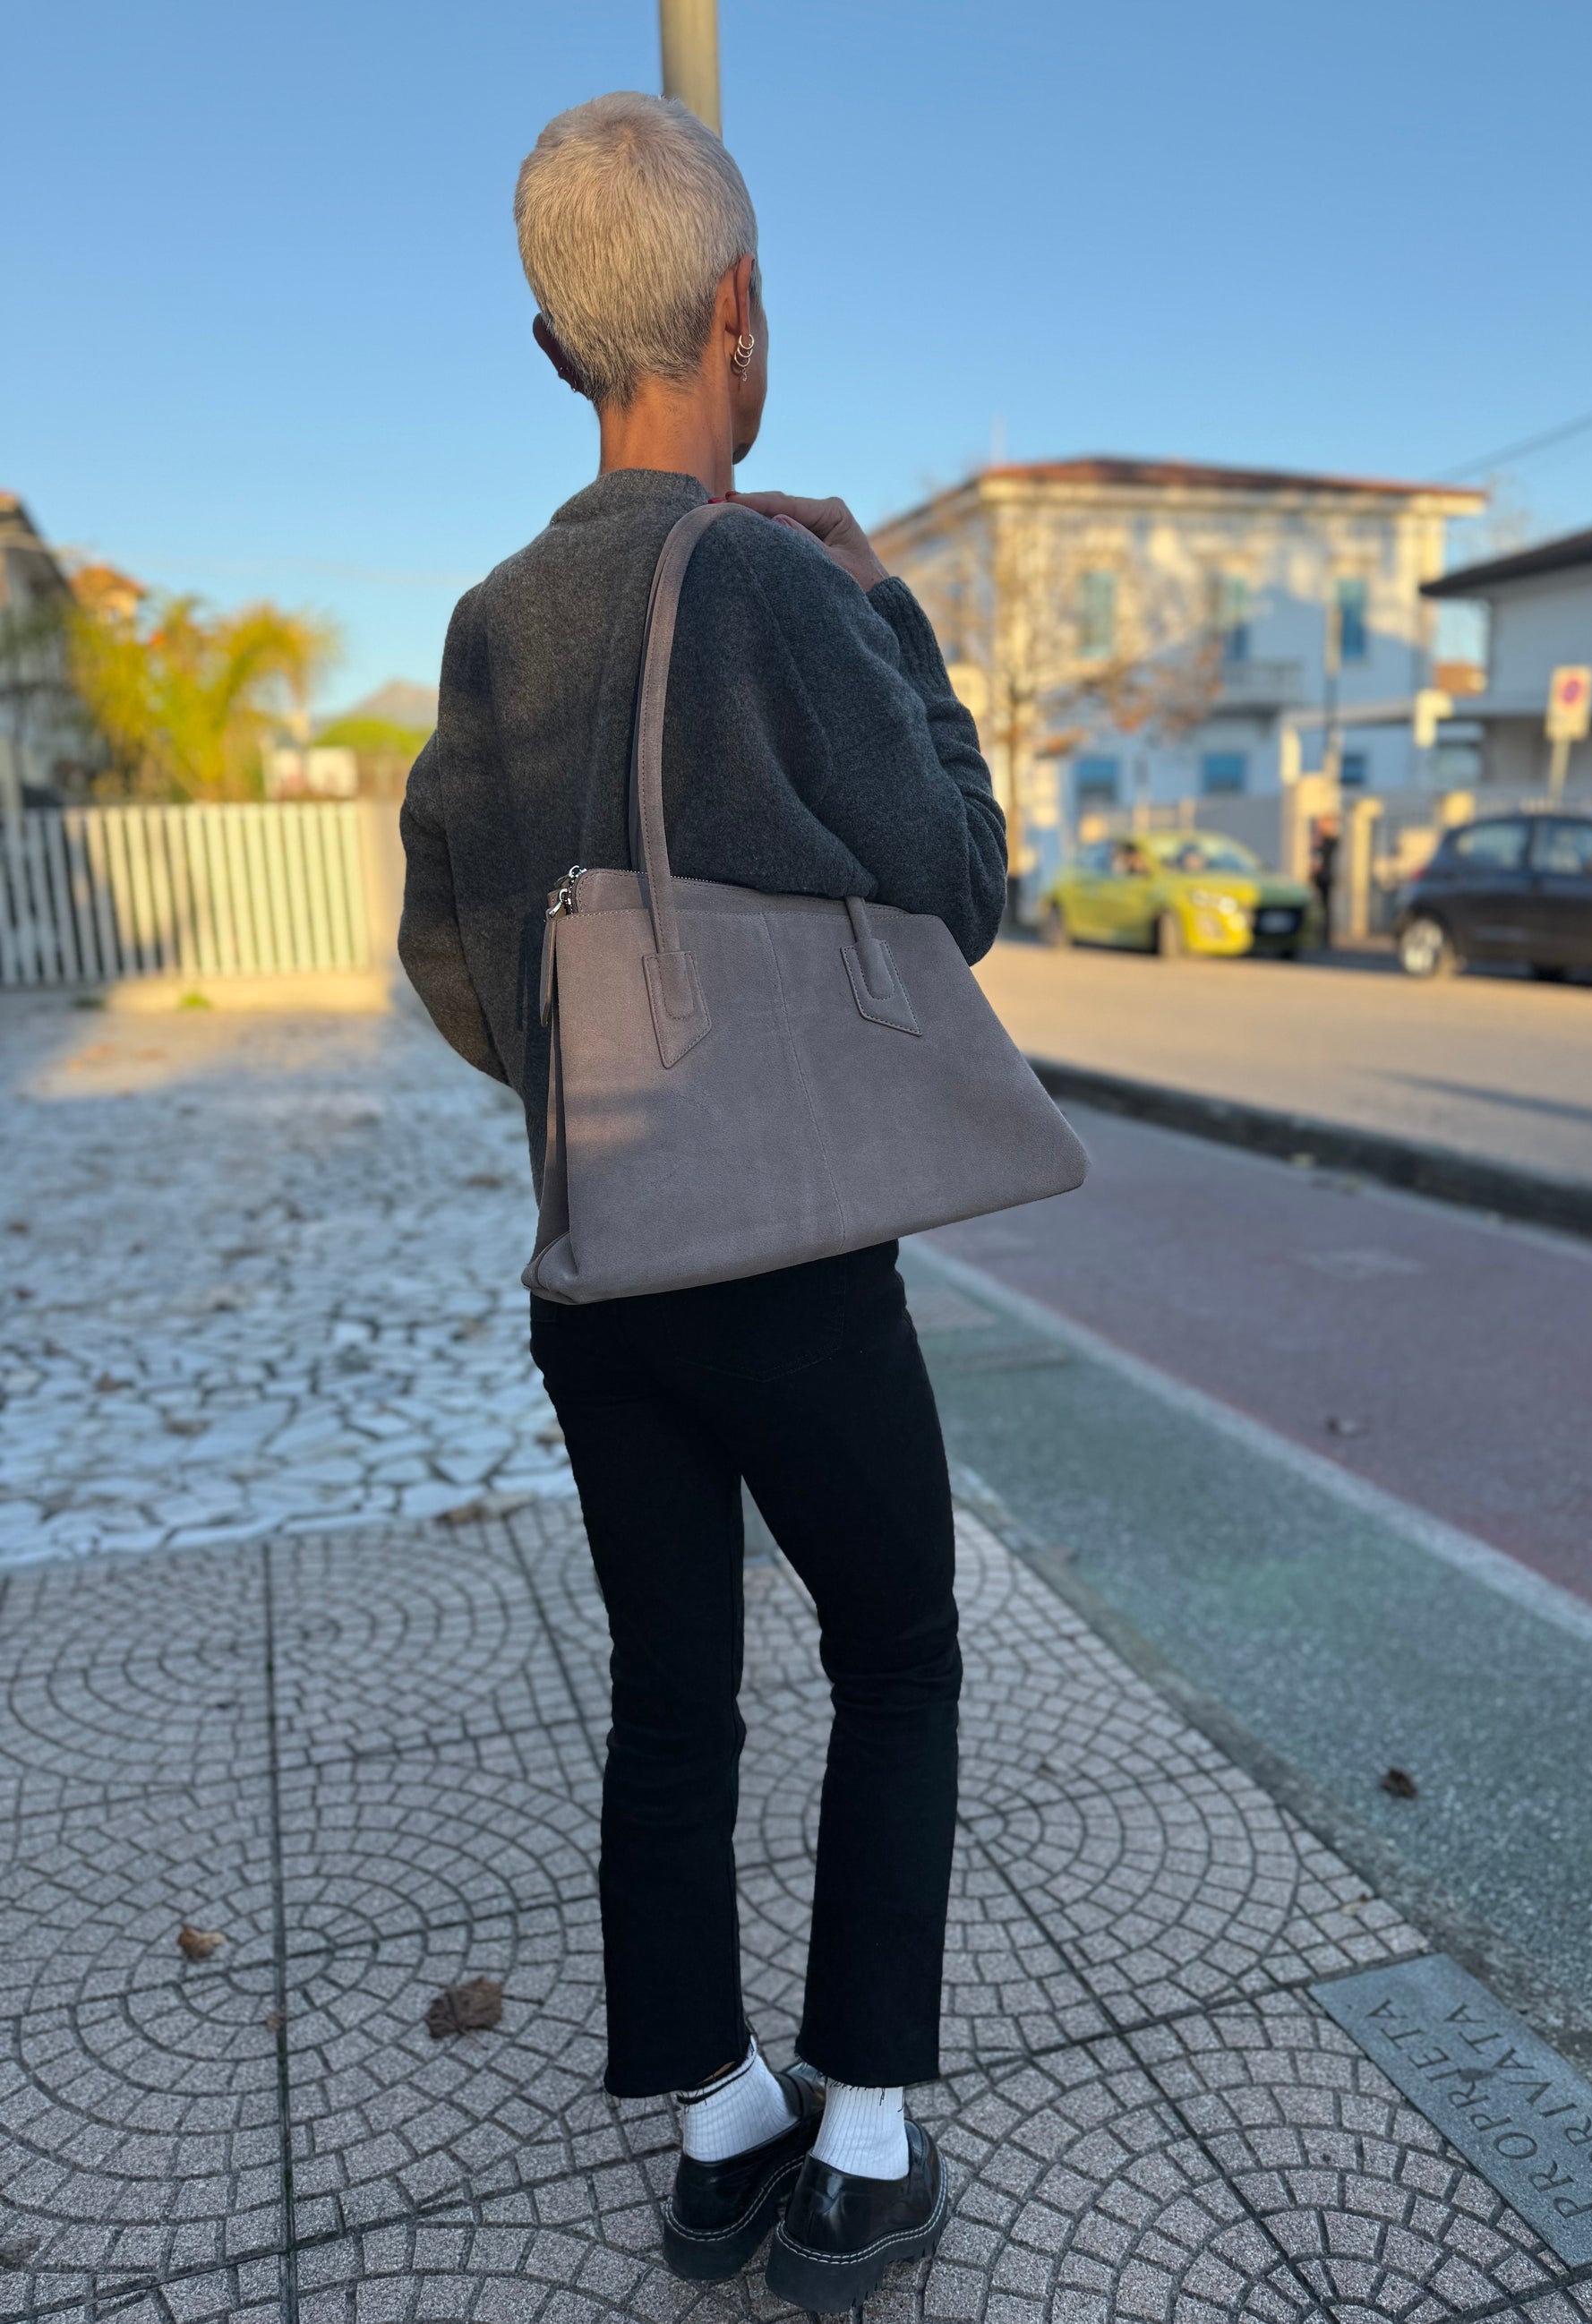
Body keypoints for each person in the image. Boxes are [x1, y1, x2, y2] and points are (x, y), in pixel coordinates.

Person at [397, 91, 1006, 2311]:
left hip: (601, 1263)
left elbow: (448, 958)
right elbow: (957, 886)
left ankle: (722, 2120)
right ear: (736, 309)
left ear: (554, 341)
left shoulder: (489, 617)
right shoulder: (765, 578)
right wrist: (892, 613)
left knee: (673, 1691)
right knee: (895, 1651)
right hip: (794, 1267)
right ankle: (863, 2147)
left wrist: (602, 1089)